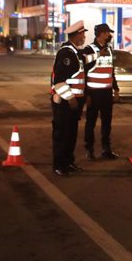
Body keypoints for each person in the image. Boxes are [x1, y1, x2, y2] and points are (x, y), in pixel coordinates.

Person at [50, 20, 88, 176]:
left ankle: (68, 162)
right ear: (76, 35)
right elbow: (59, 81)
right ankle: (59, 166)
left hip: (73, 102)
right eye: (83, 34)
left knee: (71, 135)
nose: (84, 36)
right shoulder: (66, 53)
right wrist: (70, 97)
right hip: (65, 103)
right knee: (63, 135)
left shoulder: (75, 52)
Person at [82, 23, 120, 160]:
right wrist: (86, 94)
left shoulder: (109, 50)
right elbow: (84, 69)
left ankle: (106, 149)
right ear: (102, 34)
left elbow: (111, 71)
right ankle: (89, 150)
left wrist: (116, 89)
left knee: (106, 123)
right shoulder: (89, 49)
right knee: (91, 122)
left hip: (106, 93)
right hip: (93, 93)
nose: (110, 35)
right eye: (108, 33)